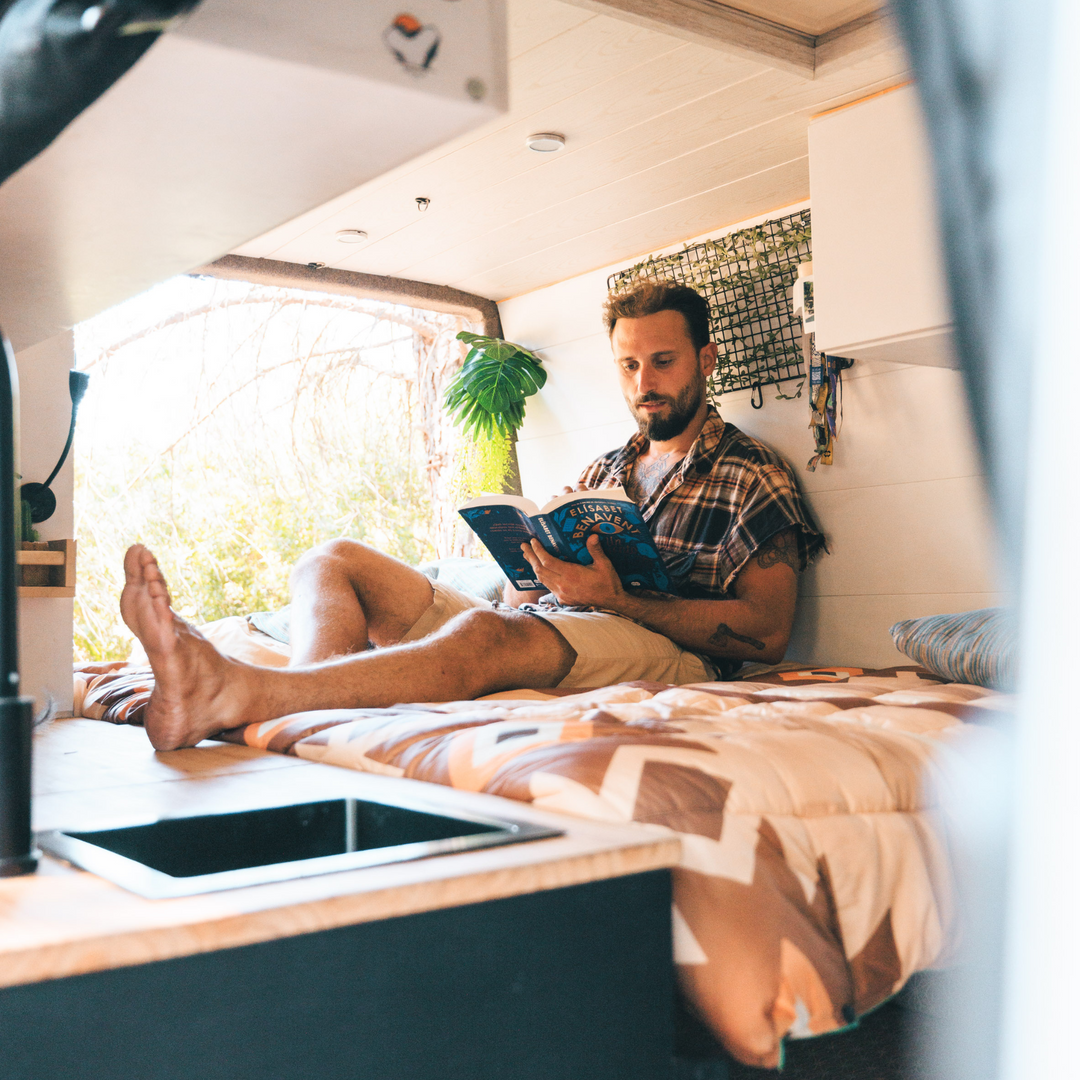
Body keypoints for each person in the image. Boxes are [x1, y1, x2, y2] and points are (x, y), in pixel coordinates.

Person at [121, 281, 824, 751]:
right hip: (561, 625)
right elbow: (538, 590)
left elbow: (766, 634)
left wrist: (620, 600)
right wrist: (532, 574)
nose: (644, 384)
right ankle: (308, 705)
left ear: (705, 358)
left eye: (663, 362)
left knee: (483, 635)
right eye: (628, 366)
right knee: (331, 560)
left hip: (674, 659)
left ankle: (244, 691)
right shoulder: (604, 471)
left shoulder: (749, 473)